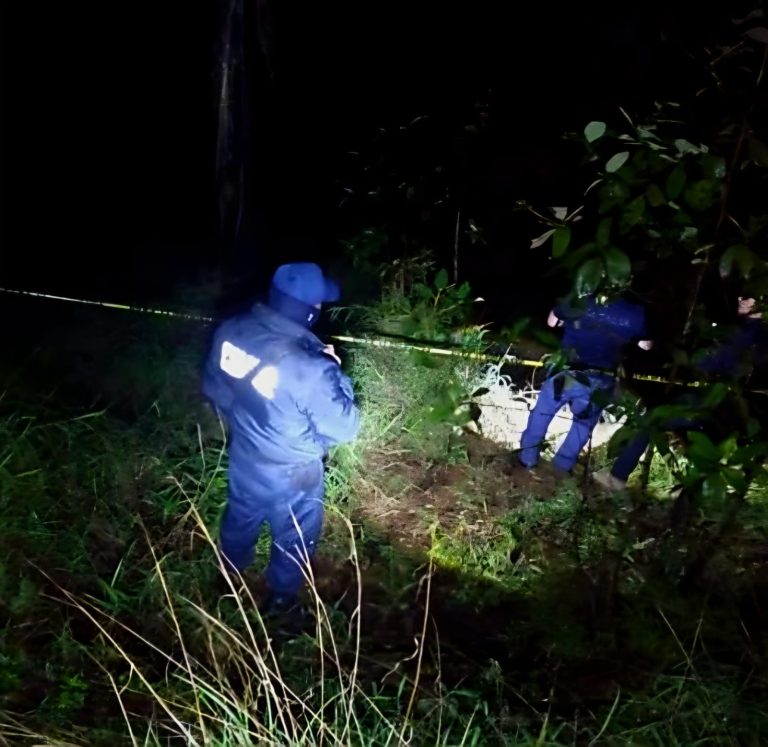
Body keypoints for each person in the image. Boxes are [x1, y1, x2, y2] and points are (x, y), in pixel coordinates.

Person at [202, 262, 361, 612]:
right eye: (319, 304)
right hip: (295, 471)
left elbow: (217, 389)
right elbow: (346, 427)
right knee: (295, 533)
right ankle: (281, 601)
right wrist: (335, 372)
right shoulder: (313, 367)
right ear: (308, 311)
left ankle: (227, 576)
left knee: (241, 514)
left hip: (245, 454)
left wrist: (253, 420)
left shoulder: (232, 330)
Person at [593, 296, 765, 491]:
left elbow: (706, 362)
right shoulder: (752, 333)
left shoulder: (742, 334)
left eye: (748, 297)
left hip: (707, 398)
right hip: (722, 404)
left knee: (651, 422)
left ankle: (617, 477)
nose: (740, 299)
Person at [517, 292, 652, 474]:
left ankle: (527, 460)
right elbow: (646, 346)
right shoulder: (636, 312)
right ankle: (560, 470)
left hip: (567, 370)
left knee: (542, 413)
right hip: (601, 378)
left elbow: (552, 322)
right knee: (582, 426)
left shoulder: (578, 299)